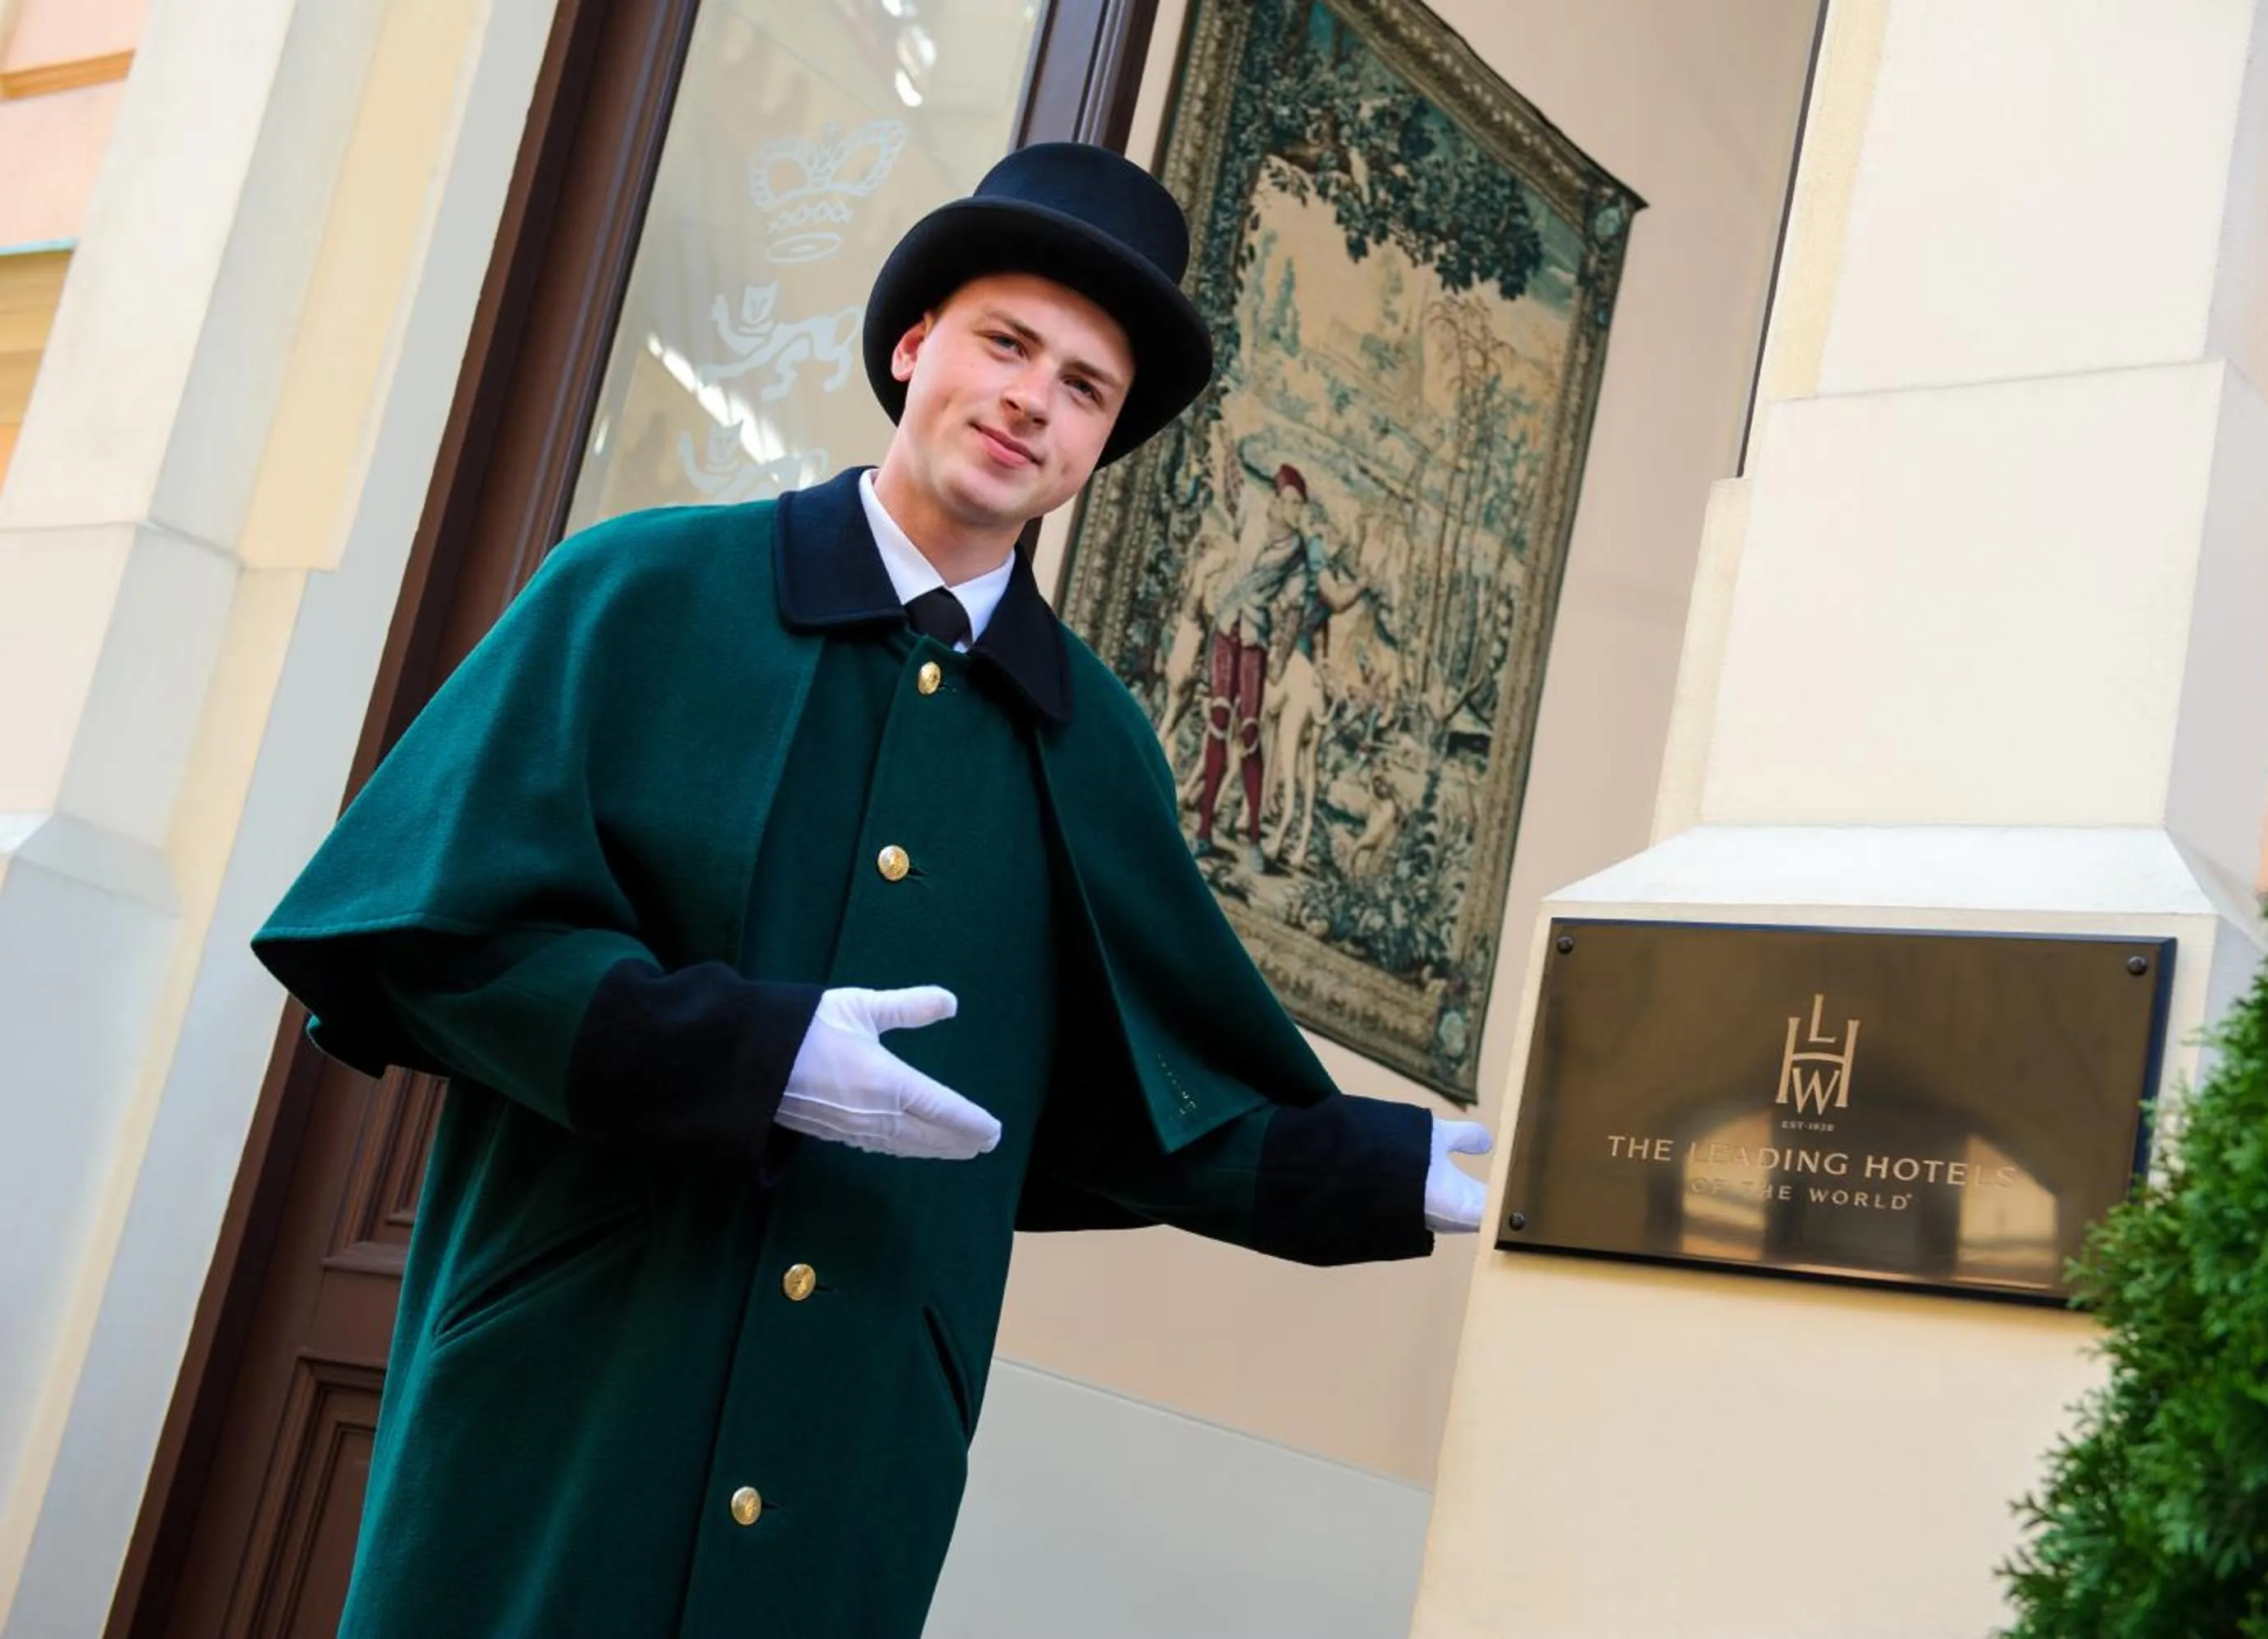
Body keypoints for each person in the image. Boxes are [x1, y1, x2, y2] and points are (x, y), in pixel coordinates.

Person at [251, 142, 1493, 1639]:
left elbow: (1125, 1106)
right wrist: (750, 1053)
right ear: (913, 346)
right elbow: (434, 938)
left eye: (1084, 387)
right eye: (1006, 344)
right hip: (575, 1378)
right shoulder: (637, 593)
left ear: (1102, 443)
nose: (1033, 401)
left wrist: (1376, 1166)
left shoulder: (1098, 746)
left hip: (855, 1435)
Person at [1196, 463, 1321, 864]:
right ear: (1278, 500)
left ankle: (1252, 837)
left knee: (1249, 732)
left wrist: (1281, 657)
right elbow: (1231, 489)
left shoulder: (1296, 554)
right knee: (1218, 721)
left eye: (1301, 505)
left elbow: (1295, 610)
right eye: (1293, 502)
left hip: (1255, 641)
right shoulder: (1252, 510)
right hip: (1225, 630)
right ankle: (1203, 829)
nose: (1297, 510)